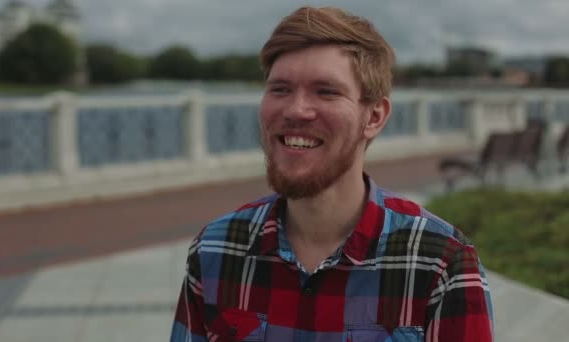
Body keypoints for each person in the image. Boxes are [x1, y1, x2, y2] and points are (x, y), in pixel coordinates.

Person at [171, 6, 493, 342]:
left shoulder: (441, 264)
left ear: (374, 117)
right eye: (280, 89)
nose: (295, 110)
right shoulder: (215, 250)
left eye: (326, 91)